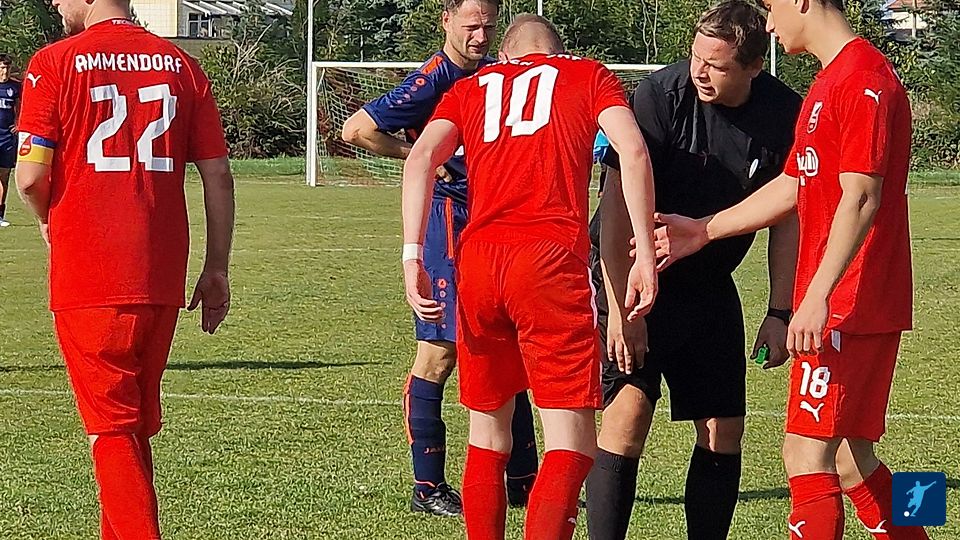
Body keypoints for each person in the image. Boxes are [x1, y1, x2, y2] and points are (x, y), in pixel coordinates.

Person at [654, 0, 929, 538]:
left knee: (805, 454)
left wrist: (817, 295)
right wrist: (705, 229)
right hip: (845, 300)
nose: (771, 23)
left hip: (849, 303)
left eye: (773, 6)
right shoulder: (828, 83)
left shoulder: (864, 80)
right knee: (853, 458)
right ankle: (924, 526)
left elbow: (861, 196)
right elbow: (794, 184)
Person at [401, 15, 658, 540]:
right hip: (548, 261)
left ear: (507, 55)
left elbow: (421, 157)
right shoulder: (587, 74)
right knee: (571, 442)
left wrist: (412, 256)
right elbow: (632, 151)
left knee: (487, 435)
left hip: (478, 263)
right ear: (558, 50)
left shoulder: (471, 87)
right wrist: (644, 255)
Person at [15, 0, 235, 538]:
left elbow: (28, 177)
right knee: (130, 429)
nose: (53, 2)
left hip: (90, 270)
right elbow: (217, 175)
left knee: (109, 431)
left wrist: (46, 217)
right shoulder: (182, 65)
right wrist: (217, 267)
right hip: (161, 272)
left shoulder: (53, 62)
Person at [584, 3, 801, 539]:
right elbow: (614, 206)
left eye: (717, 65)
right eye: (696, 57)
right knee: (628, 414)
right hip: (634, 277)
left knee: (723, 429)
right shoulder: (659, 95)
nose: (700, 71)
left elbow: (788, 214)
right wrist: (622, 311)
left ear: (754, 68)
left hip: (708, 283)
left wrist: (780, 310)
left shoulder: (784, 113)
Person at [341, 0, 540, 516]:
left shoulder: (498, 74)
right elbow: (356, 129)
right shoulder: (433, 79)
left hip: (495, 224)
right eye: (471, 25)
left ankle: (524, 480)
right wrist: (422, 157)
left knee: (508, 345)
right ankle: (427, 486)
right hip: (446, 228)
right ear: (446, 20)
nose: (480, 35)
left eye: (489, 26)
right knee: (440, 351)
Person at [0, 53, 21, 227]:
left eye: (7, 68)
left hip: (7, 136)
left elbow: (22, 106)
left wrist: (19, 122)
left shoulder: (15, 87)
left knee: (4, 176)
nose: (5, 71)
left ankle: (0, 214)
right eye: (2, 68)